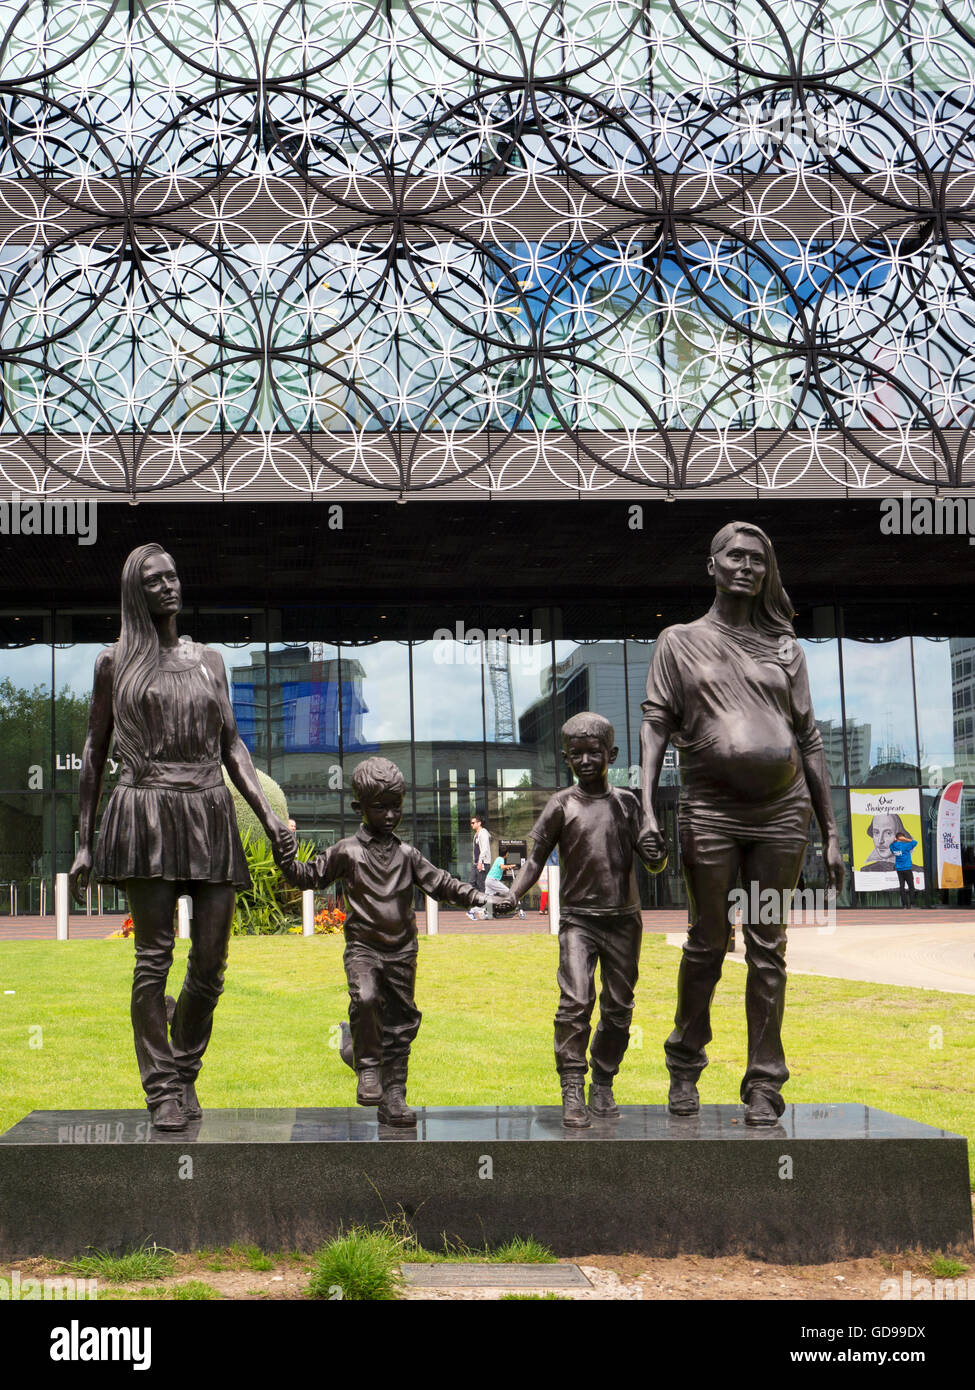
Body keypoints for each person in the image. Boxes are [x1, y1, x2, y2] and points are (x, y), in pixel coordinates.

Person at [68, 544, 294, 1132]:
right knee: (153, 958)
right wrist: (85, 840)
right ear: (135, 594)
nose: (169, 586)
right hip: (146, 810)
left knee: (212, 962)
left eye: (173, 576)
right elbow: (95, 751)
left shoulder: (210, 661)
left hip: (209, 809)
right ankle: (163, 1089)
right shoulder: (114, 663)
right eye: (154, 580)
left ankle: (183, 1066)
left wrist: (268, 816)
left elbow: (233, 746)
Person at [640, 522, 844, 1127]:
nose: (748, 566)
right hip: (710, 809)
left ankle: (764, 1083)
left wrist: (831, 833)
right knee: (707, 941)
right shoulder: (678, 642)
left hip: (782, 814)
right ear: (712, 565)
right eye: (736, 555)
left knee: (768, 946)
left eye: (759, 559)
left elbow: (809, 740)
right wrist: (646, 805)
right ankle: (685, 1059)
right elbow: (655, 723)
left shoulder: (786, 648)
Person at [281, 757, 508, 1126]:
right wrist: (285, 848)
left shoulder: (408, 855)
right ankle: (367, 1067)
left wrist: (484, 899)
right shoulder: (346, 852)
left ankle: (394, 1095)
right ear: (360, 808)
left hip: (402, 951)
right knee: (367, 999)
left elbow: (443, 883)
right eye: (379, 807)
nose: (389, 815)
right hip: (364, 950)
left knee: (401, 1023)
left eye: (396, 807)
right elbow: (309, 876)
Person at [509, 712, 666, 1128]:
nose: (585, 760)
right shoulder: (561, 805)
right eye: (575, 754)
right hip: (578, 922)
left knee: (619, 1009)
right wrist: (511, 894)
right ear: (566, 758)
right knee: (575, 1002)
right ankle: (572, 1086)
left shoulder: (629, 804)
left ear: (610, 754)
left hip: (623, 922)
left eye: (593, 752)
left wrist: (657, 854)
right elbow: (534, 859)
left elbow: (653, 863)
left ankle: (604, 1080)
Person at [890, 829, 919, 907]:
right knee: (911, 887)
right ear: (902, 838)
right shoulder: (905, 845)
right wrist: (905, 839)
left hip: (899, 870)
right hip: (907, 869)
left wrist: (895, 841)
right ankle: (912, 904)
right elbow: (915, 842)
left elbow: (891, 846)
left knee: (902, 887)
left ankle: (905, 904)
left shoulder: (893, 846)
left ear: (896, 838)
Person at [470, 813, 491, 893]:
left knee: (482, 885)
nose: (472, 824)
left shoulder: (483, 833)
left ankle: (485, 904)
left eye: (473, 823)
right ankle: (479, 901)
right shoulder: (476, 835)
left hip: (483, 863)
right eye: (471, 823)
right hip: (476, 863)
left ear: (479, 823)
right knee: (472, 882)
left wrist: (480, 862)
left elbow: (484, 849)